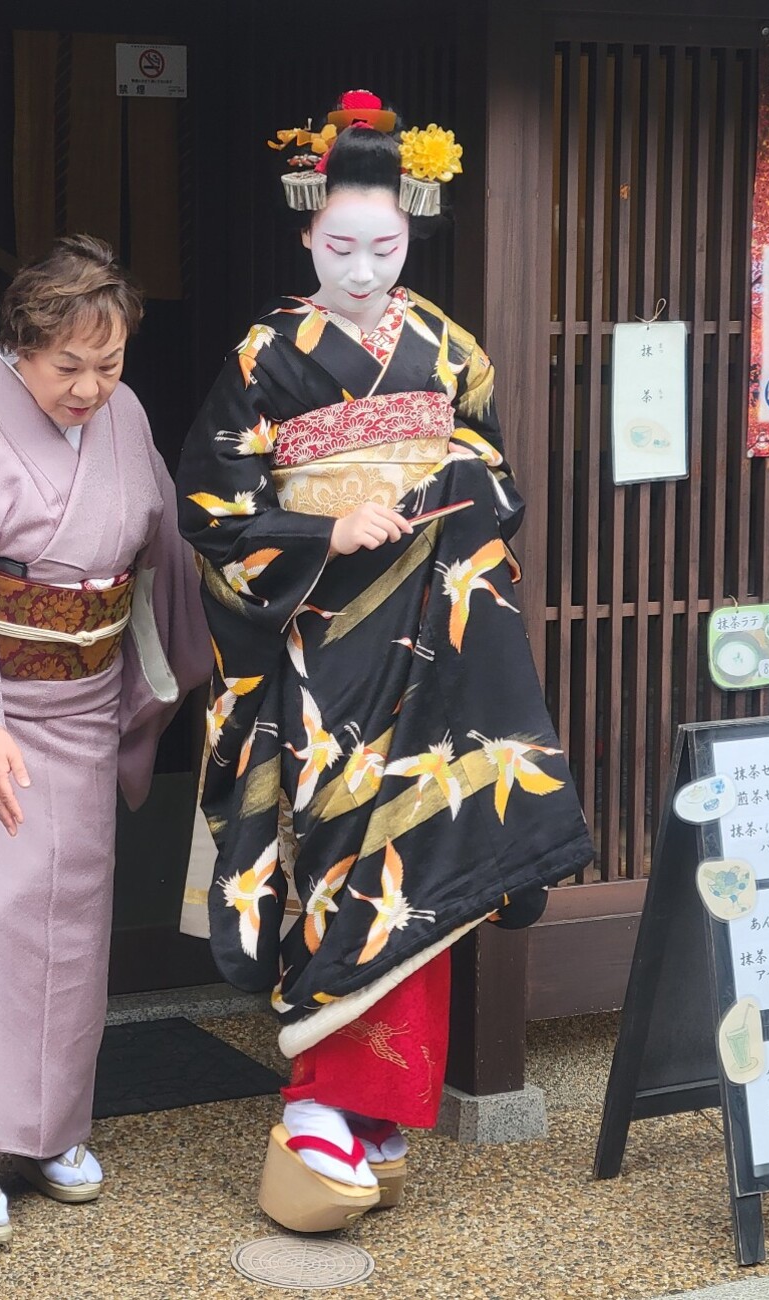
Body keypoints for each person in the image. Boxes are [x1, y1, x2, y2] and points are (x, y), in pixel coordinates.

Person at [176, 91, 595, 1232]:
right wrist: (322, 528)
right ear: (306, 235)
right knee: (336, 860)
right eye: (341, 247)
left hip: (429, 643)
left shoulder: (447, 344)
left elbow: (494, 476)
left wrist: (424, 504)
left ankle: (378, 1107)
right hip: (320, 655)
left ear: (411, 236)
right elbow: (213, 505)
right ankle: (320, 1099)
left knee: (428, 846)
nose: (363, 270)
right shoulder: (267, 353)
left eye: (388, 247)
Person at [0, 234, 211, 1248]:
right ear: (17, 347)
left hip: (85, 706)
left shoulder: (127, 419)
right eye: (67, 364)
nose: (88, 387)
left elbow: (165, 553)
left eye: (108, 366)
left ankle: (56, 1128)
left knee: (73, 929)